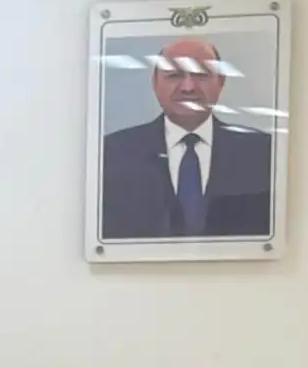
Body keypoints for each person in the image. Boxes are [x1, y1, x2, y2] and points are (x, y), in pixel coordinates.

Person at [98, 36, 273, 240]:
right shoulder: (112, 153)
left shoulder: (262, 153)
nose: (188, 87)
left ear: (221, 81)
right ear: (155, 82)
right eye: (174, 75)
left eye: (201, 75)